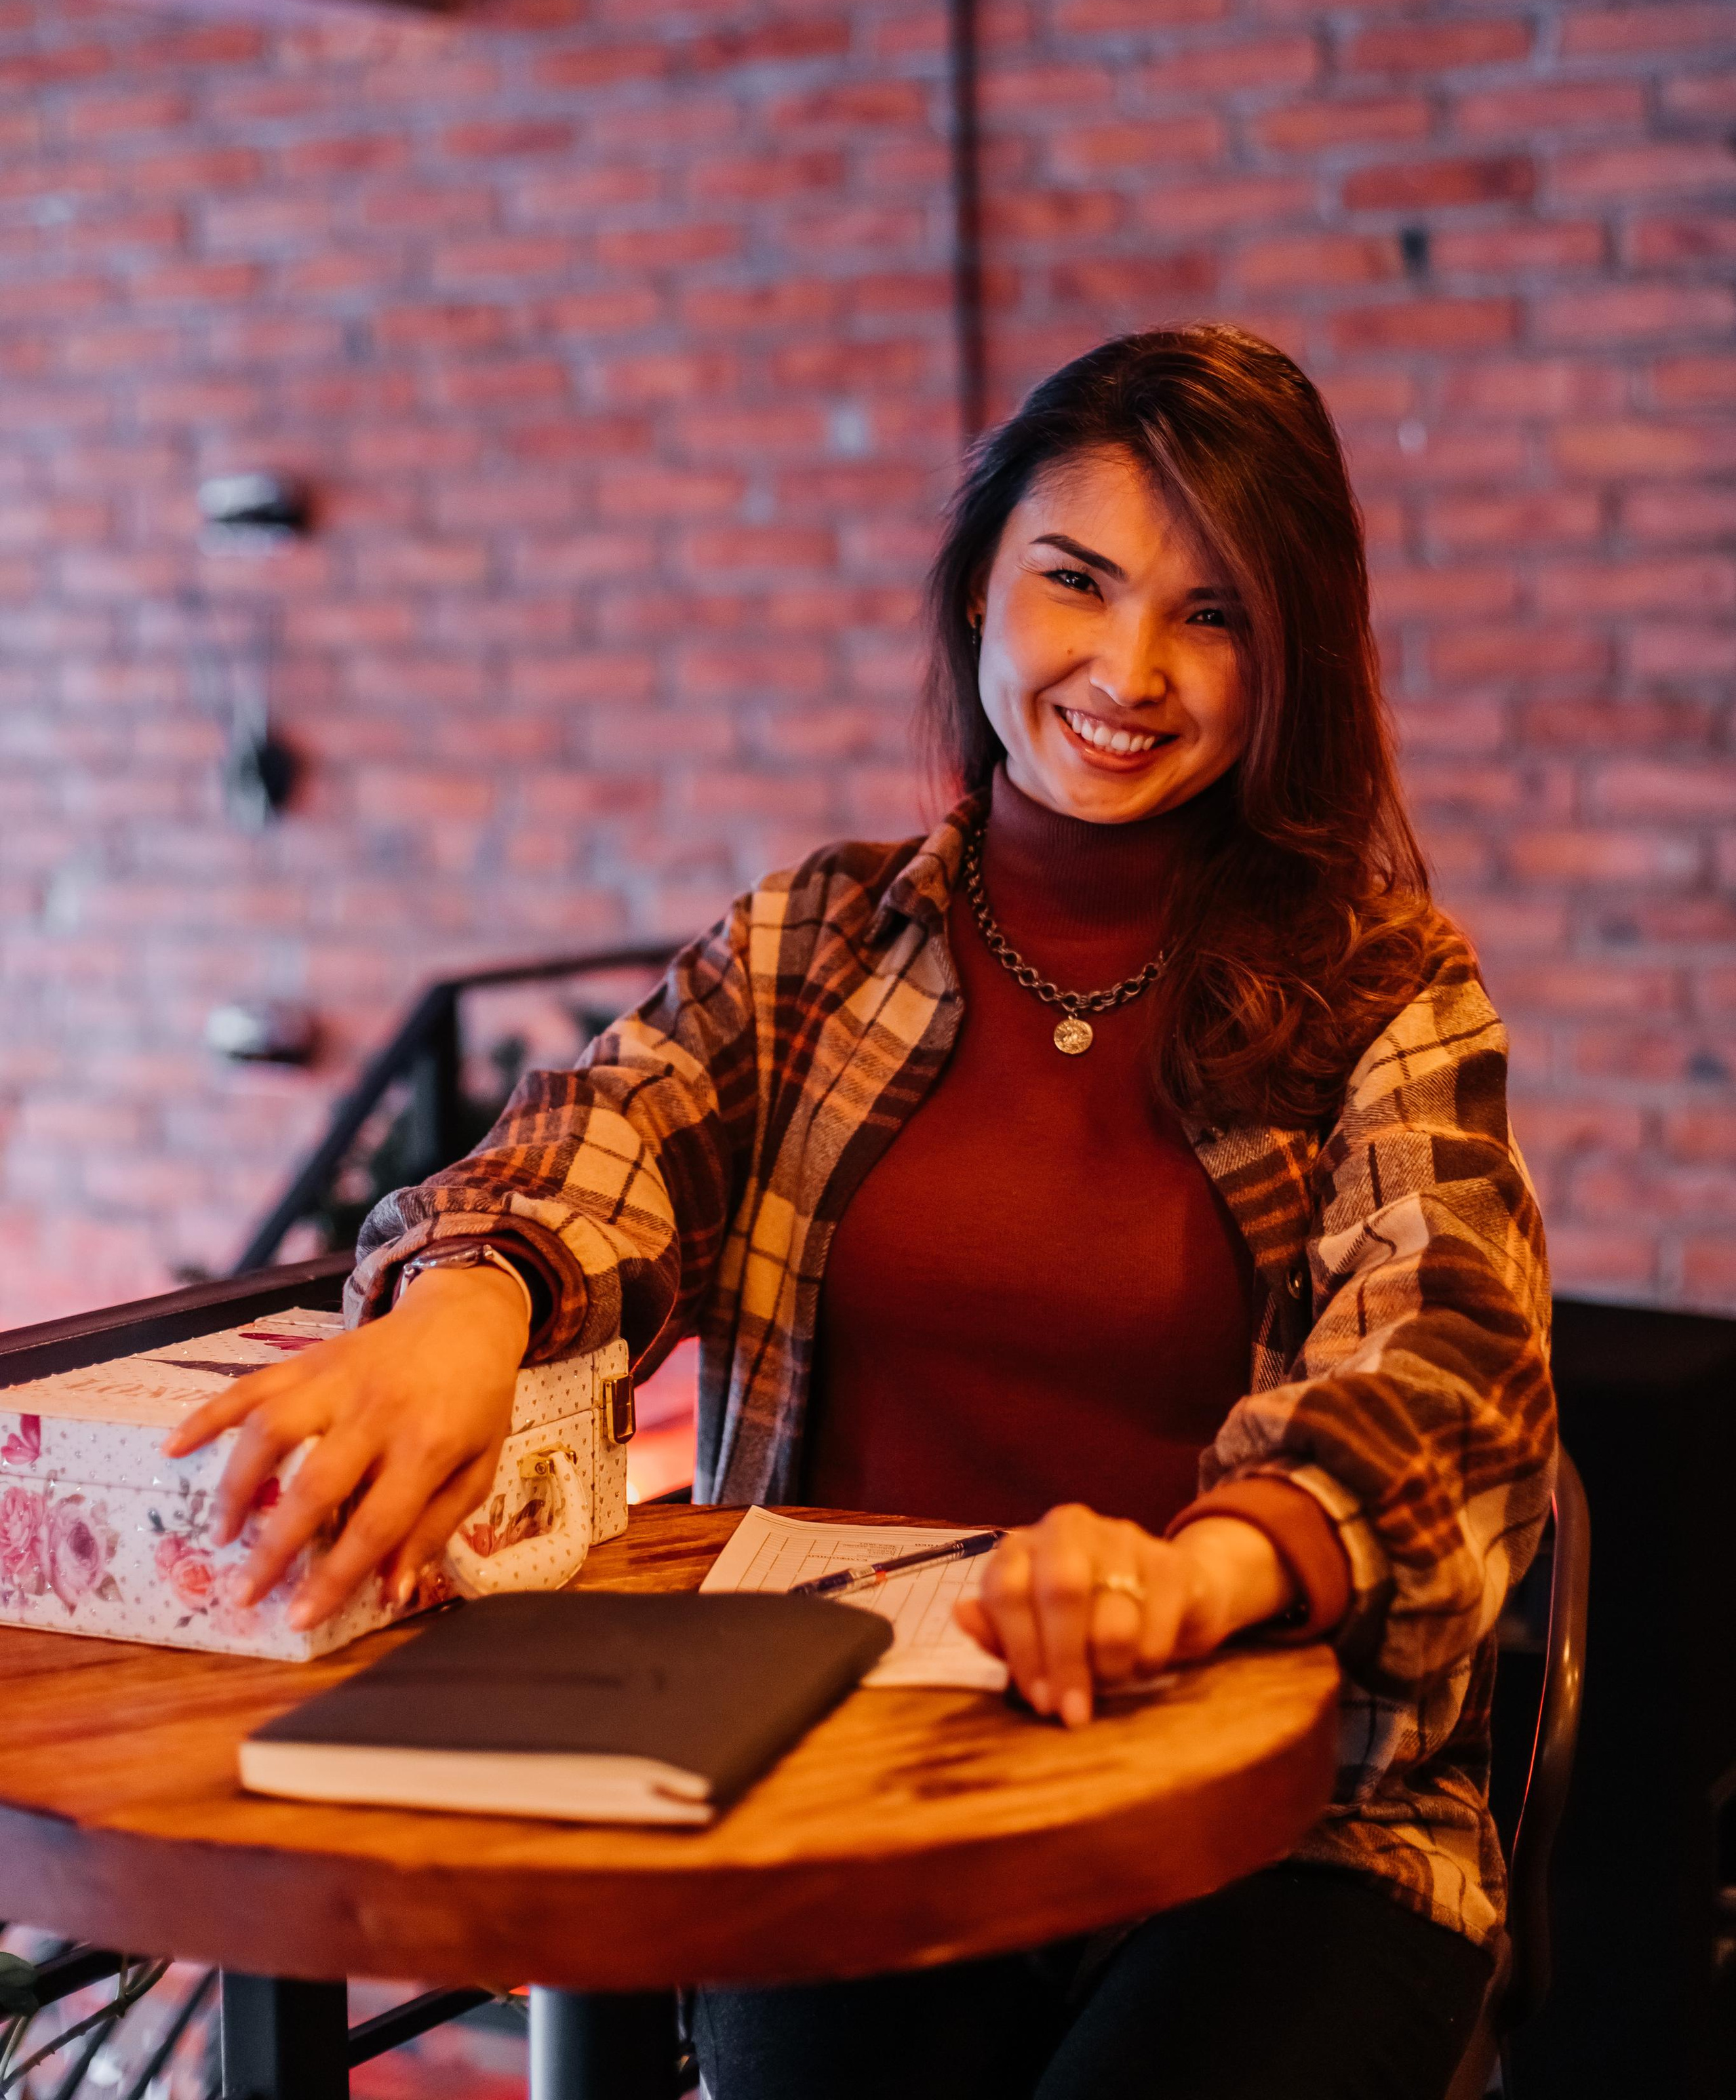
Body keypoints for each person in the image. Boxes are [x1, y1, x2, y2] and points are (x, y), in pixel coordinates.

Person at [167, 325, 1555, 2100]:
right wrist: (468, 1312)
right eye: (1077, 582)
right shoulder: (815, 943)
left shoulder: (1387, 990)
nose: (1129, 667)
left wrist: (1194, 1572)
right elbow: (609, 1132)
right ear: (981, 588)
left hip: (1283, 1820)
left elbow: (1448, 1371)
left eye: (1212, 615)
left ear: (1288, 657)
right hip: (841, 1772)